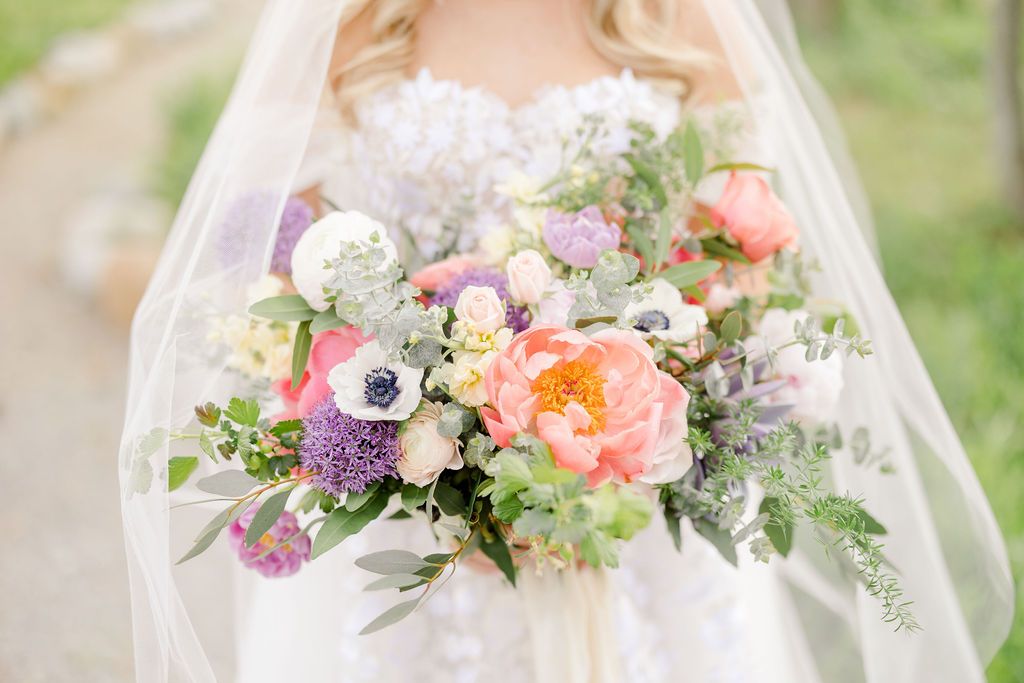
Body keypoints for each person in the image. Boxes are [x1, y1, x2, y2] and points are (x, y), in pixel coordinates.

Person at [119, 2, 1013, 681]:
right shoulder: (357, 22)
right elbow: (281, 257)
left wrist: (642, 423)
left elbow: (747, 247)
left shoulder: (676, 19)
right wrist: (430, 436)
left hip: (639, 504)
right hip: (417, 512)